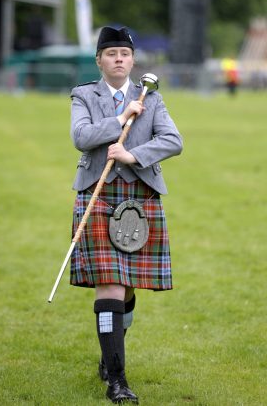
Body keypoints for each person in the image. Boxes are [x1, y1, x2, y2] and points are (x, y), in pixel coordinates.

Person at [70, 26, 183, 404]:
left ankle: (109, 353)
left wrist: (132, 155)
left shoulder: (151, 97)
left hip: (140, 197)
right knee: (111, 286)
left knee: (128, 288)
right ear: (99, 60)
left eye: (124, 53)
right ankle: (116, 379)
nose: (118, 59)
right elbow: (82, 137)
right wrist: (119, 121)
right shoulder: (84, 95)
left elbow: (173, 140)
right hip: (98, 196)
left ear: (133, 60)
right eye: (111, 53)